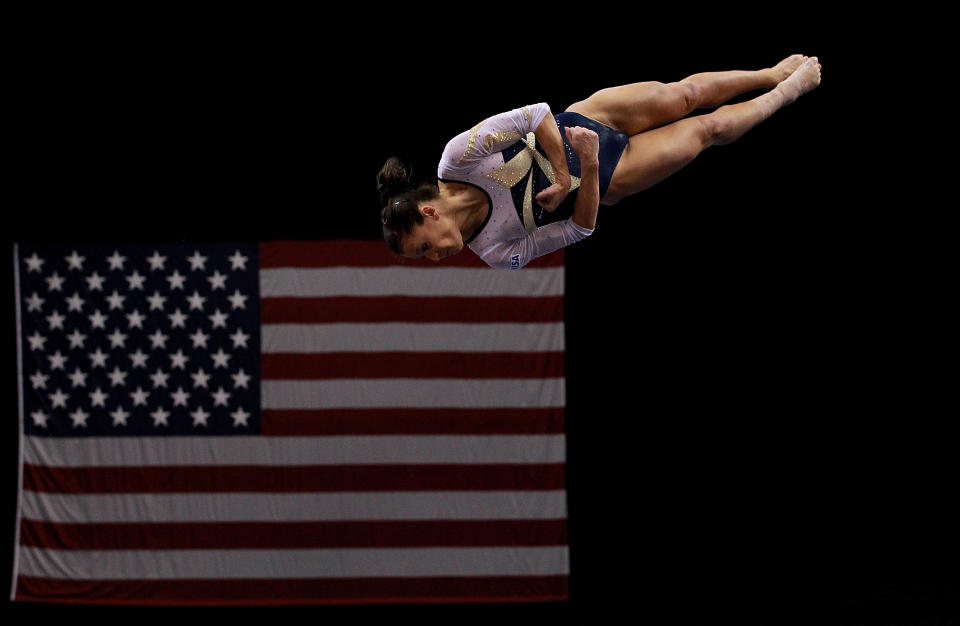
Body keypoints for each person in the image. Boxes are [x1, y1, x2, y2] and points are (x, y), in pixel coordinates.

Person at [378, 55, 821, 269]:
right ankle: (787, 93)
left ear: (428, 211)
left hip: (589, 117)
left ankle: (769, 75)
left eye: (425, 246)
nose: (436, 255)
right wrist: (587, 168)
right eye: (426, 256)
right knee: (708, 131)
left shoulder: (457, 159)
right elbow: (579, 228)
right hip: (612, 174)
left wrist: (565, 171)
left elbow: (535, 114)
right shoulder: (495, 251)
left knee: (685, 94)